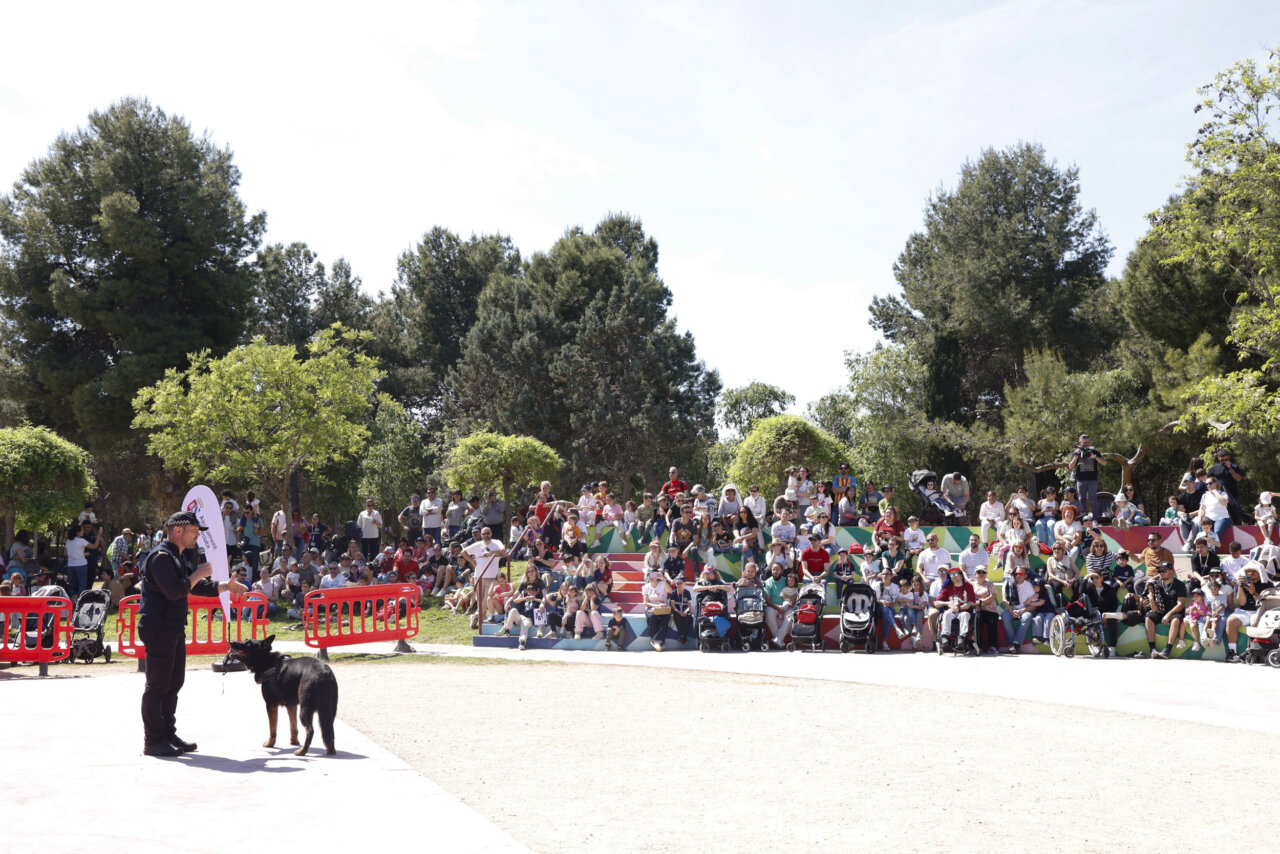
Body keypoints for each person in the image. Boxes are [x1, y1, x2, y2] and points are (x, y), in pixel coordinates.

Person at [138, 510, 247, 757]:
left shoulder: (176, 556)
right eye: (194, 531)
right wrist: (198, 573)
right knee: (158, 686)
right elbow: (176, 591)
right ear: (178, 530)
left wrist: (224, 587)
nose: (197, 536)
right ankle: (153, 741)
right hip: (158, 629)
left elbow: (193, 587)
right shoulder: (160, 557)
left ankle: (167, 734)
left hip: (172, 628)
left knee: (173, 684)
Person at [1225, 565, 1274, 662]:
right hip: (1245, 611)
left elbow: (1263, 604)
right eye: (1248, 572)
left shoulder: (1267, 584)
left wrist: (1253, 592)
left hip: (1260, 611)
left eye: (1253, 571)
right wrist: (1240, 586)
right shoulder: (1244, 583)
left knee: (1255, 620)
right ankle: (1232, 652)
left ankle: (1252, 652)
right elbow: (1242, 603)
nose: (1251, 574)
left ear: (1259, 572)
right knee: (1231, 620)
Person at [1142, 561, 1187, 659]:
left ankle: (1167, 650)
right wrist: (1151, 599)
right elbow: (1154, 608)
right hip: (1160, 610)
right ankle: (1152, 649)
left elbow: (1181, 604)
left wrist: (1168, 615)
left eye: (1164, 570)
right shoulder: (1156, 584)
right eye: (1160, 571)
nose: (1161, 573)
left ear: (1172, 571)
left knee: (1175, 620)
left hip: (1175, 612)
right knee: (1148, 617)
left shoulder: (1180, 585)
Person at [464, 528, 507, 630]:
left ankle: (475, 616)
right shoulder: (477, 545)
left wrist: (490, 553)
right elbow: (463, 552)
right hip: (479, 576)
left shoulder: (497, 542)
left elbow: (503, 551)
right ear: (481, 535)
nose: (486, 535)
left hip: (492, 577)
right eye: (484, 534)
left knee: (486, 599)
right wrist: (473, 562)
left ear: (491, 533)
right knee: (480, 601)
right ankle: (481, 622)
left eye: (488, 533)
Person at [935, 567, 977, 649]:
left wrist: (960, 608)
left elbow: (972, 602)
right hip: (951, 611)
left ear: (961, 575)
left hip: (963, 610)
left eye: (956, 574)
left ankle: (962, 638)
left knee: (964, 615)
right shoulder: (947, 587)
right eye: (951, 575)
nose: (954, 576)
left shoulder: (968, 586)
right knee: (946, 614)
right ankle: (944, 637)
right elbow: (936, 603)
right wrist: (947, 603)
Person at [1000, 566, 1038, 654]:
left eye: (1021, 574)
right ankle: (1015, 644)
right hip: (1011, 609)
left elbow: (1034, 605)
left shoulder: (1029, 585)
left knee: (1027, 617)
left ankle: (1015, 644)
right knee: (1004, 616)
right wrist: (1011, 612)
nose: (1018, 576)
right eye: (1016, 573)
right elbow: (1004, 600)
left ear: (1025, 575)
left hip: (1025, 610)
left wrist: (1022, 611)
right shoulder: (1007, 583)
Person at [1068, 433, 1106, 517]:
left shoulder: (1094, 451)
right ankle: (1085, 517)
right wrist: (1076, 457)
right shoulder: (1076, 453)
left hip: (1093, 479)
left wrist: (1095, 457)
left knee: (1093, 499)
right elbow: (1070, 467)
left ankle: (1095, 519)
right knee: (1082, 499)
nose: (1086, 444)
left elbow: (1104, 463)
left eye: (1088, 442)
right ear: (1080, 442)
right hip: (1080, 480)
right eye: (1084, 442)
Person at [972, 568, 1000, 655]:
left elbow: (992, 597)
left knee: (992, 620)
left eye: (983, 572)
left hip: (990, 610)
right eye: (979, 572)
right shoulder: (971, 585)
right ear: (975, 574)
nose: (981, 574)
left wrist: (980, 602)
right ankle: (978, 646)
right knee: (977, 619)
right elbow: (969, 598)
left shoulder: (990, 584)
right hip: (977, 610)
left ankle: (992, 646)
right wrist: (976, 605)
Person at [641, 570, 670, 651]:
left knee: (666, 617)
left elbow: (670, 590)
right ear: (647, 577)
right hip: (652, 607)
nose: (651, 577)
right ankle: (659, 642)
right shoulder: (646, 587)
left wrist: (663, 579)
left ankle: (655, 641)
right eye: (650, 575)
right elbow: (646, 602)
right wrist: (656, 606)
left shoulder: (662, 584)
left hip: (663, 607)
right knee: (652, 616)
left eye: (654, 575)